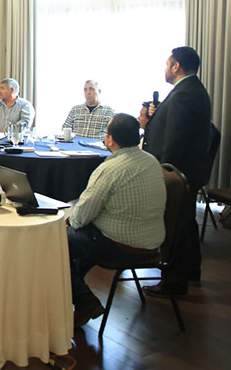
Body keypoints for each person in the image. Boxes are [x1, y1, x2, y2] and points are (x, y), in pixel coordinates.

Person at [66, 114, 166, 327]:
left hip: (120, 247)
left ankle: (84, 301)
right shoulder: (152, 161)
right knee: (78, 242)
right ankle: (74, 295)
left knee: (58, 239)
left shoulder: (109, 169)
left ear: (110, 139)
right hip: (153, 243)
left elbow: (81, 217)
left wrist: (68, 220)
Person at [138, 46, 211, 296]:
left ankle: (174, 282)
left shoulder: (184, 94)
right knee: (186, 222)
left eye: (167, 64)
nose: (166, 69)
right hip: (188, 171)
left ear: (176, 66)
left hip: (177, 173)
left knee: (176, 226)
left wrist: (163, 172)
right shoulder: (193, 89)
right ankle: (191, 271)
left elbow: (175, 140)